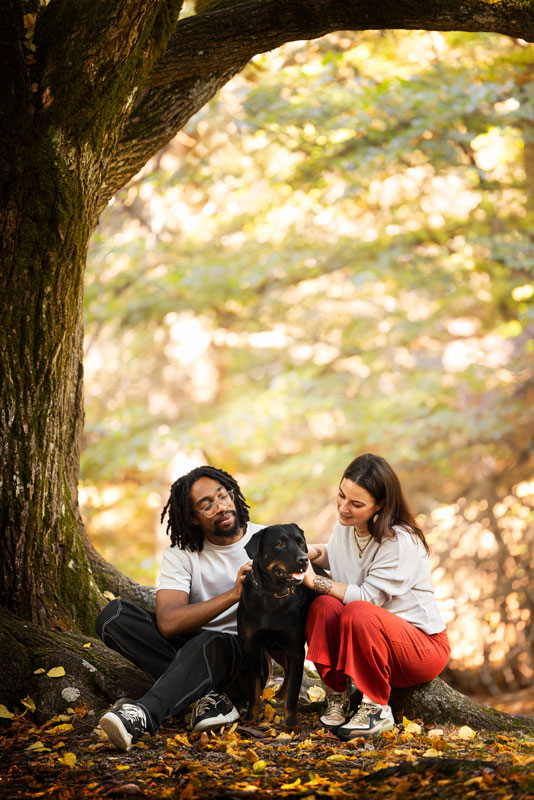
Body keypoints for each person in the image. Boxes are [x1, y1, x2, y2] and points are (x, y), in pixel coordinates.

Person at [96, 465, 265, 751]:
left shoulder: (267, 540)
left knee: (212, 640)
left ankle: (142, 715)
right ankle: (208, 699)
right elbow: (169, 623)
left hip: (244, 660)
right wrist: (233, 595)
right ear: (192, 517)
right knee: (115, 617)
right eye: (207, 505)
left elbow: (309, 564)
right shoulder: (182, 554)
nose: (221, 507)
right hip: (193, 650)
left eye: (223, 496)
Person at [303, 453, 450, 740]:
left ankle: (376, 708)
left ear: (380, 505)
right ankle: (338, 696)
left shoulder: (400, 540)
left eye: (356, 504)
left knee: (358, 610)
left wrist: (314, 579)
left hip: (420, 648)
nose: (344, 508)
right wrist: (303, 551)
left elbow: (367, 597)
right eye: (341, 496)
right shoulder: (347, 526)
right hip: (371, 642)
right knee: (322, 606)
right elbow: (335, 555)